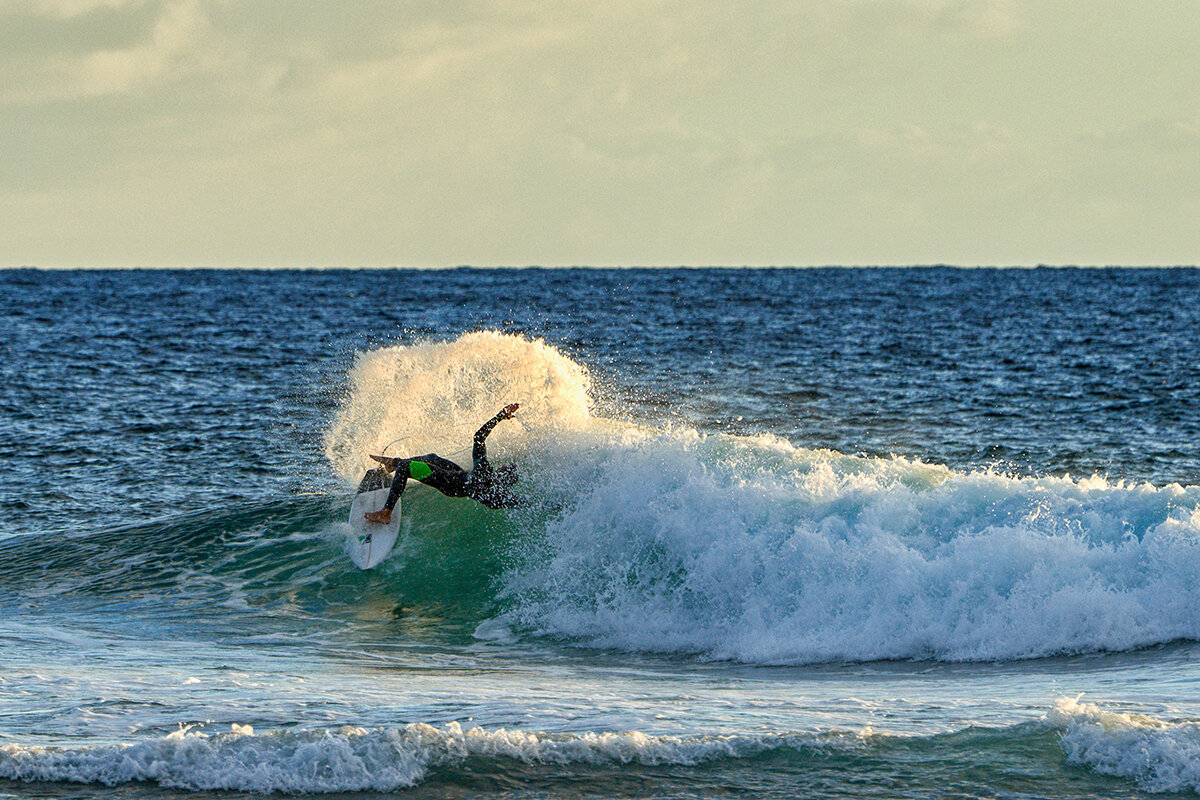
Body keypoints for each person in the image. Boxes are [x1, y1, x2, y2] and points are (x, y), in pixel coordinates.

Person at [360, 404, 521, 524]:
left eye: (503, 469)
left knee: (406, 468)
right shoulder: (497, 497)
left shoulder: (483, 472)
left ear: (500, 474)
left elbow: (479, 437)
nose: (501, 467)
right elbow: (523, 504)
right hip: (458, 477)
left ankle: (385, 513)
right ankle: (392, 463)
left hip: (447, 482)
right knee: (432, 458)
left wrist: (501, 415)